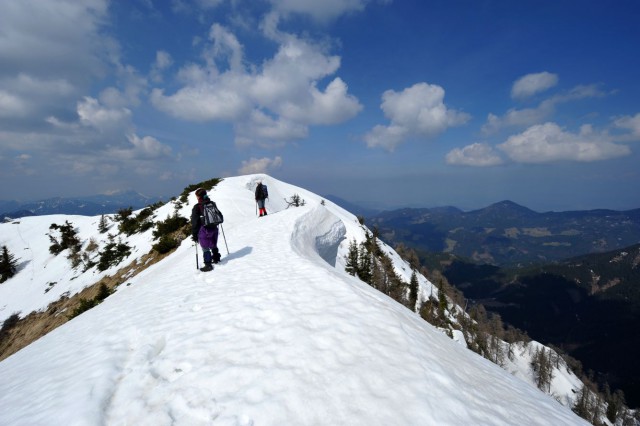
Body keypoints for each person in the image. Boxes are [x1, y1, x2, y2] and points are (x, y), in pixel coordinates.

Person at [191, 188, 221, 272]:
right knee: (213, 244)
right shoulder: (212, 203)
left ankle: (208, 265)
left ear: (198, 197)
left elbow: (195, 222)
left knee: (205, 247)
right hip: (214, 228)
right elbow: (219, 214)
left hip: (204, 230)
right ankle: (216, 258)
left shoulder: (197, 207)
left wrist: (194, 234)